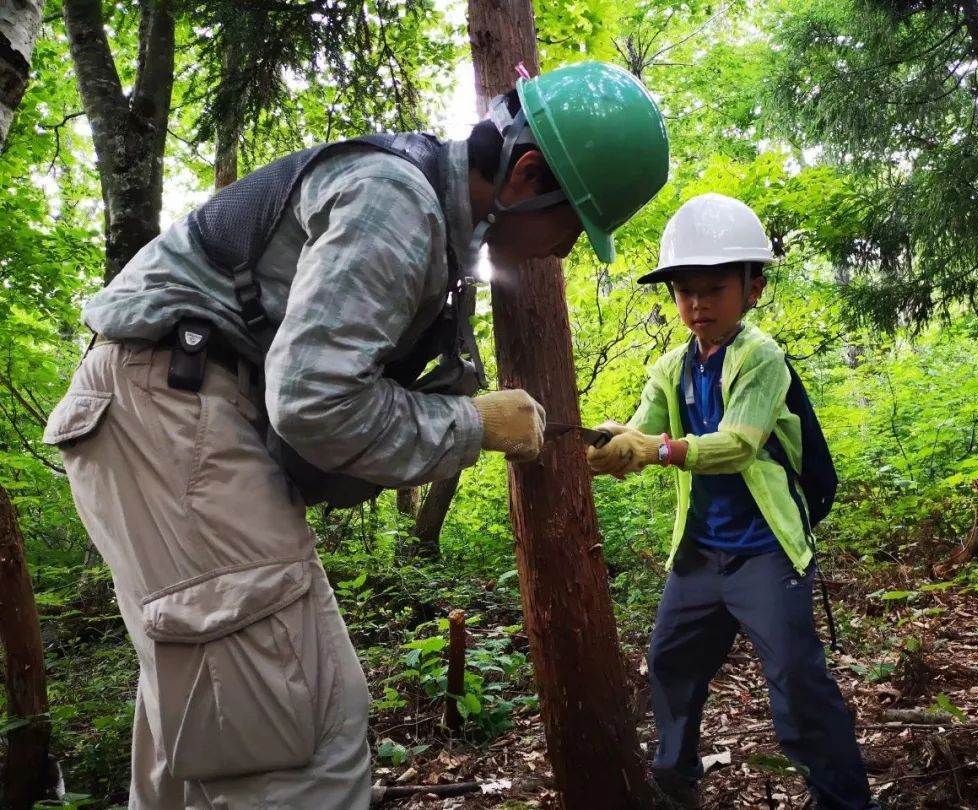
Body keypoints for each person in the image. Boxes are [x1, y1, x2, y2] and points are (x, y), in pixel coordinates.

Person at [42, 61, 668, 810]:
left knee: (217, 724)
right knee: (301, 738)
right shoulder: (397, 201)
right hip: (174, 407)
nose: (560, 251)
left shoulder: (414, 203)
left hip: (159, 412)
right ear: (527, 175)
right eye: (573, 224)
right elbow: (315, 403)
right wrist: (474, 425)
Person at [586, 194, 878, 809]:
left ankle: (845, 802)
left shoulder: (761, 358)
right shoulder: (671, 366)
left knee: (798, 684)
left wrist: (656, 452)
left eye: (714, 289)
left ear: (753, 289)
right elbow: (645, 427)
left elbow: (736, 446)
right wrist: (613, 445)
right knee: (669, 663)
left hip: (765, 553)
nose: (696, 304)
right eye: (684, 292)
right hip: (700, 556)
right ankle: (676, 780)